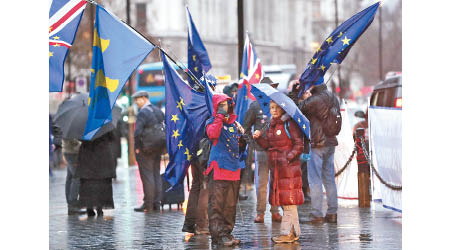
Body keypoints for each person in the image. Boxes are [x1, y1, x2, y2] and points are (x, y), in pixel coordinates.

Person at [253, 101, 304, 243]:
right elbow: (268, 145)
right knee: (286, 202)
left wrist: (288, 158)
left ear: (282, 108)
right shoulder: (271, 125)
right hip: (277, 170)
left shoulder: (289, 124)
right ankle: (293, 232)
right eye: (271, 108)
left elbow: (299, 144)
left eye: (276, 108)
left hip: (288, 170)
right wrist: (259, 139)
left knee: (289, 202)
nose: (273, 110)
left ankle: (287, 233)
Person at [204, 93, 245, 247]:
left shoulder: (235, 124)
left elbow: (239, 152)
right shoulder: (212, 122)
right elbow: (212, 134)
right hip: (219, 169)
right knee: (217, 205)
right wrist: (219, 116)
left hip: (234, 169)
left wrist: (243, 144)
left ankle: (227, 233)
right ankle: (217, 236)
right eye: (221, 104)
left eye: (227, 104)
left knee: (230, 206)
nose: (225, 107)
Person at [298, 83, 340, 224]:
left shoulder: (316, 99)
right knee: (329, 179)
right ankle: (332, 213)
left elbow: (299, 109)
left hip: (317, 143)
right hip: (330, 142)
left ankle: (316, 214)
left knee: (314, 179)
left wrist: (298, 93)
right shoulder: (333, 97)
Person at [181, 75, 218, 235]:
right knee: (204, 187)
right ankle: (202, 225)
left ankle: (190, 224)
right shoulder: (207, 104)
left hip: (192, 150)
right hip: (205, 151)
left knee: (196, 185)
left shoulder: (190, 102)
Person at [242, 77, 282, 224]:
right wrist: (252, 144)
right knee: (262, 183)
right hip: (261, 151)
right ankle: (260, 212)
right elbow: (245, 129)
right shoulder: (254, 106)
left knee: (276, 182)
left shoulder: (279, 105)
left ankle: (275, 211)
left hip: (277, 150)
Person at [133, 91, 165, 212]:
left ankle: (149, 204)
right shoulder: (158, 110)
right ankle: (157, 202)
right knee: (156, 174)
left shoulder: (142, 113)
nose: (136, 102)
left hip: (145, 149)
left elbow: (137, 133)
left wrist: (137, 147)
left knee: (147, 176)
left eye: (137, 99)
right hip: (158, 147)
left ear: (144, 98)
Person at [76, 131, 116, 216]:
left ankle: (89, 208)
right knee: (102, 182)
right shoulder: (104, 121)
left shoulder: (83, 122)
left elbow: (78, 137)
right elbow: (112, 137)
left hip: (87, 153)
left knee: (88, 182)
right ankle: (99, 208)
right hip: (103, 154)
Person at [62, 138, 85, 215]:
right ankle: (73, 204)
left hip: (68, 151)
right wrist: (81, 145)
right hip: (72, 153)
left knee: (70, 178)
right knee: (76, 178)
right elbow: (72, 142)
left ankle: (71, 204)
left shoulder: (67, 126)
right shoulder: (70, 129)